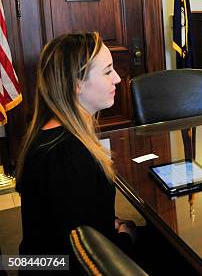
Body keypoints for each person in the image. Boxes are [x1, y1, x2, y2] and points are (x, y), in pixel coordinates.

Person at [15, 32, 135, 259]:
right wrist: (126, 236)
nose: (118, 78)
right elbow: (86, 254)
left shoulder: (56, 136)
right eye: (108, 71)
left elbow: (75, 219)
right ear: (76, 83)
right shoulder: (66, 156)